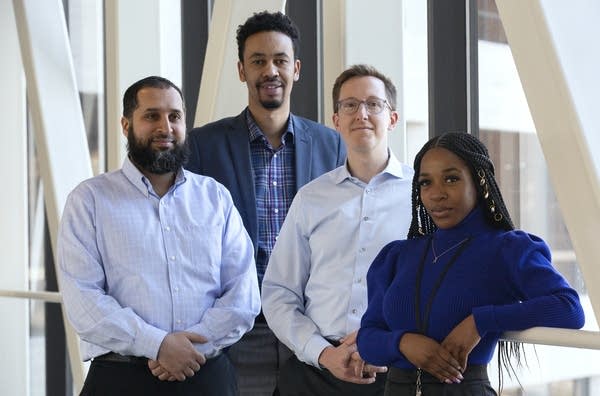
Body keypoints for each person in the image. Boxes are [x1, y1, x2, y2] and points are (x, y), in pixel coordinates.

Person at [57, 76, 260, 396]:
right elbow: (84, 302)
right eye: (151, 115)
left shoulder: (215, 198)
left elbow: (243, 294)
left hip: (206, 375)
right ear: (126, 125)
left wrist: (189, 347)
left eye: (174, 116)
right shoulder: (90, 200)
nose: (165, 127)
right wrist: (158, 345)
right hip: (120, 379)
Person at [186, 11, 346, 395]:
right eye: (258, 61)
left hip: (311, 326)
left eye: (280, 60)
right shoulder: (203, 146)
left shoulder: (332, 145)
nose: (270, 70)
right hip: (241, 330)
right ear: (242, 71)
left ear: (297, 69)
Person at [356, 132, 585, 395]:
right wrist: (403, 343)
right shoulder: (397, 256)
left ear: (479, 182)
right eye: (426, 183)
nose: (437, 194)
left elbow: (569, 309)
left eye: (451, 179)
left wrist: (481, 321)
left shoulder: (507, 248)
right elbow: (367, 339)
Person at [261, 64, 413, 396]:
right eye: (350, 105)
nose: (362, 113)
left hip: (394, 374)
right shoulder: (311, 198)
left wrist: (387, 340)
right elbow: (278, 294)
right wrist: (323, 353)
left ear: (392, 118)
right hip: (314, 373)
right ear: (336, 120)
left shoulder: (421, 196)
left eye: (374, 104)